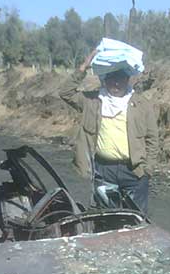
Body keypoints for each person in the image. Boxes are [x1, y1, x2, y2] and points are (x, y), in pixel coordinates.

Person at [60, 47, 158, 213]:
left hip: (134, 171)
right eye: (112, 78)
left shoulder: (143, 105)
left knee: (136, 220)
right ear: (105, 79)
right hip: (104, 171)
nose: (116, 83)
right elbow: (65, 92)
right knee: (105, 218)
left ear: (128, 80)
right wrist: (84, 66)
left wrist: (147, 170)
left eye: (121, 79)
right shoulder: (92, 101)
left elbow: (152, 140)